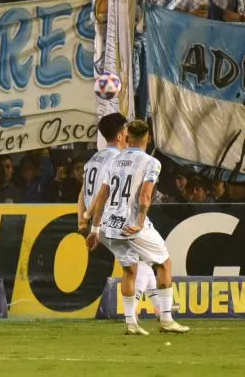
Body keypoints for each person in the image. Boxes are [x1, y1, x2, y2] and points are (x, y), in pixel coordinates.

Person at [86, 119, 189, 336]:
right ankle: (167, 319)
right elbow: (145, 195)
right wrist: (140, 222)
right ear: (148, 138)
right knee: (164, 263)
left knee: (130, 269)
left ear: (128, 137)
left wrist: (95, 229)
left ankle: (131, 323)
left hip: (108, 225)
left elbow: (102, 196)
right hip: (130, 222)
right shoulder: (151, 162)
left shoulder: (114, 161)